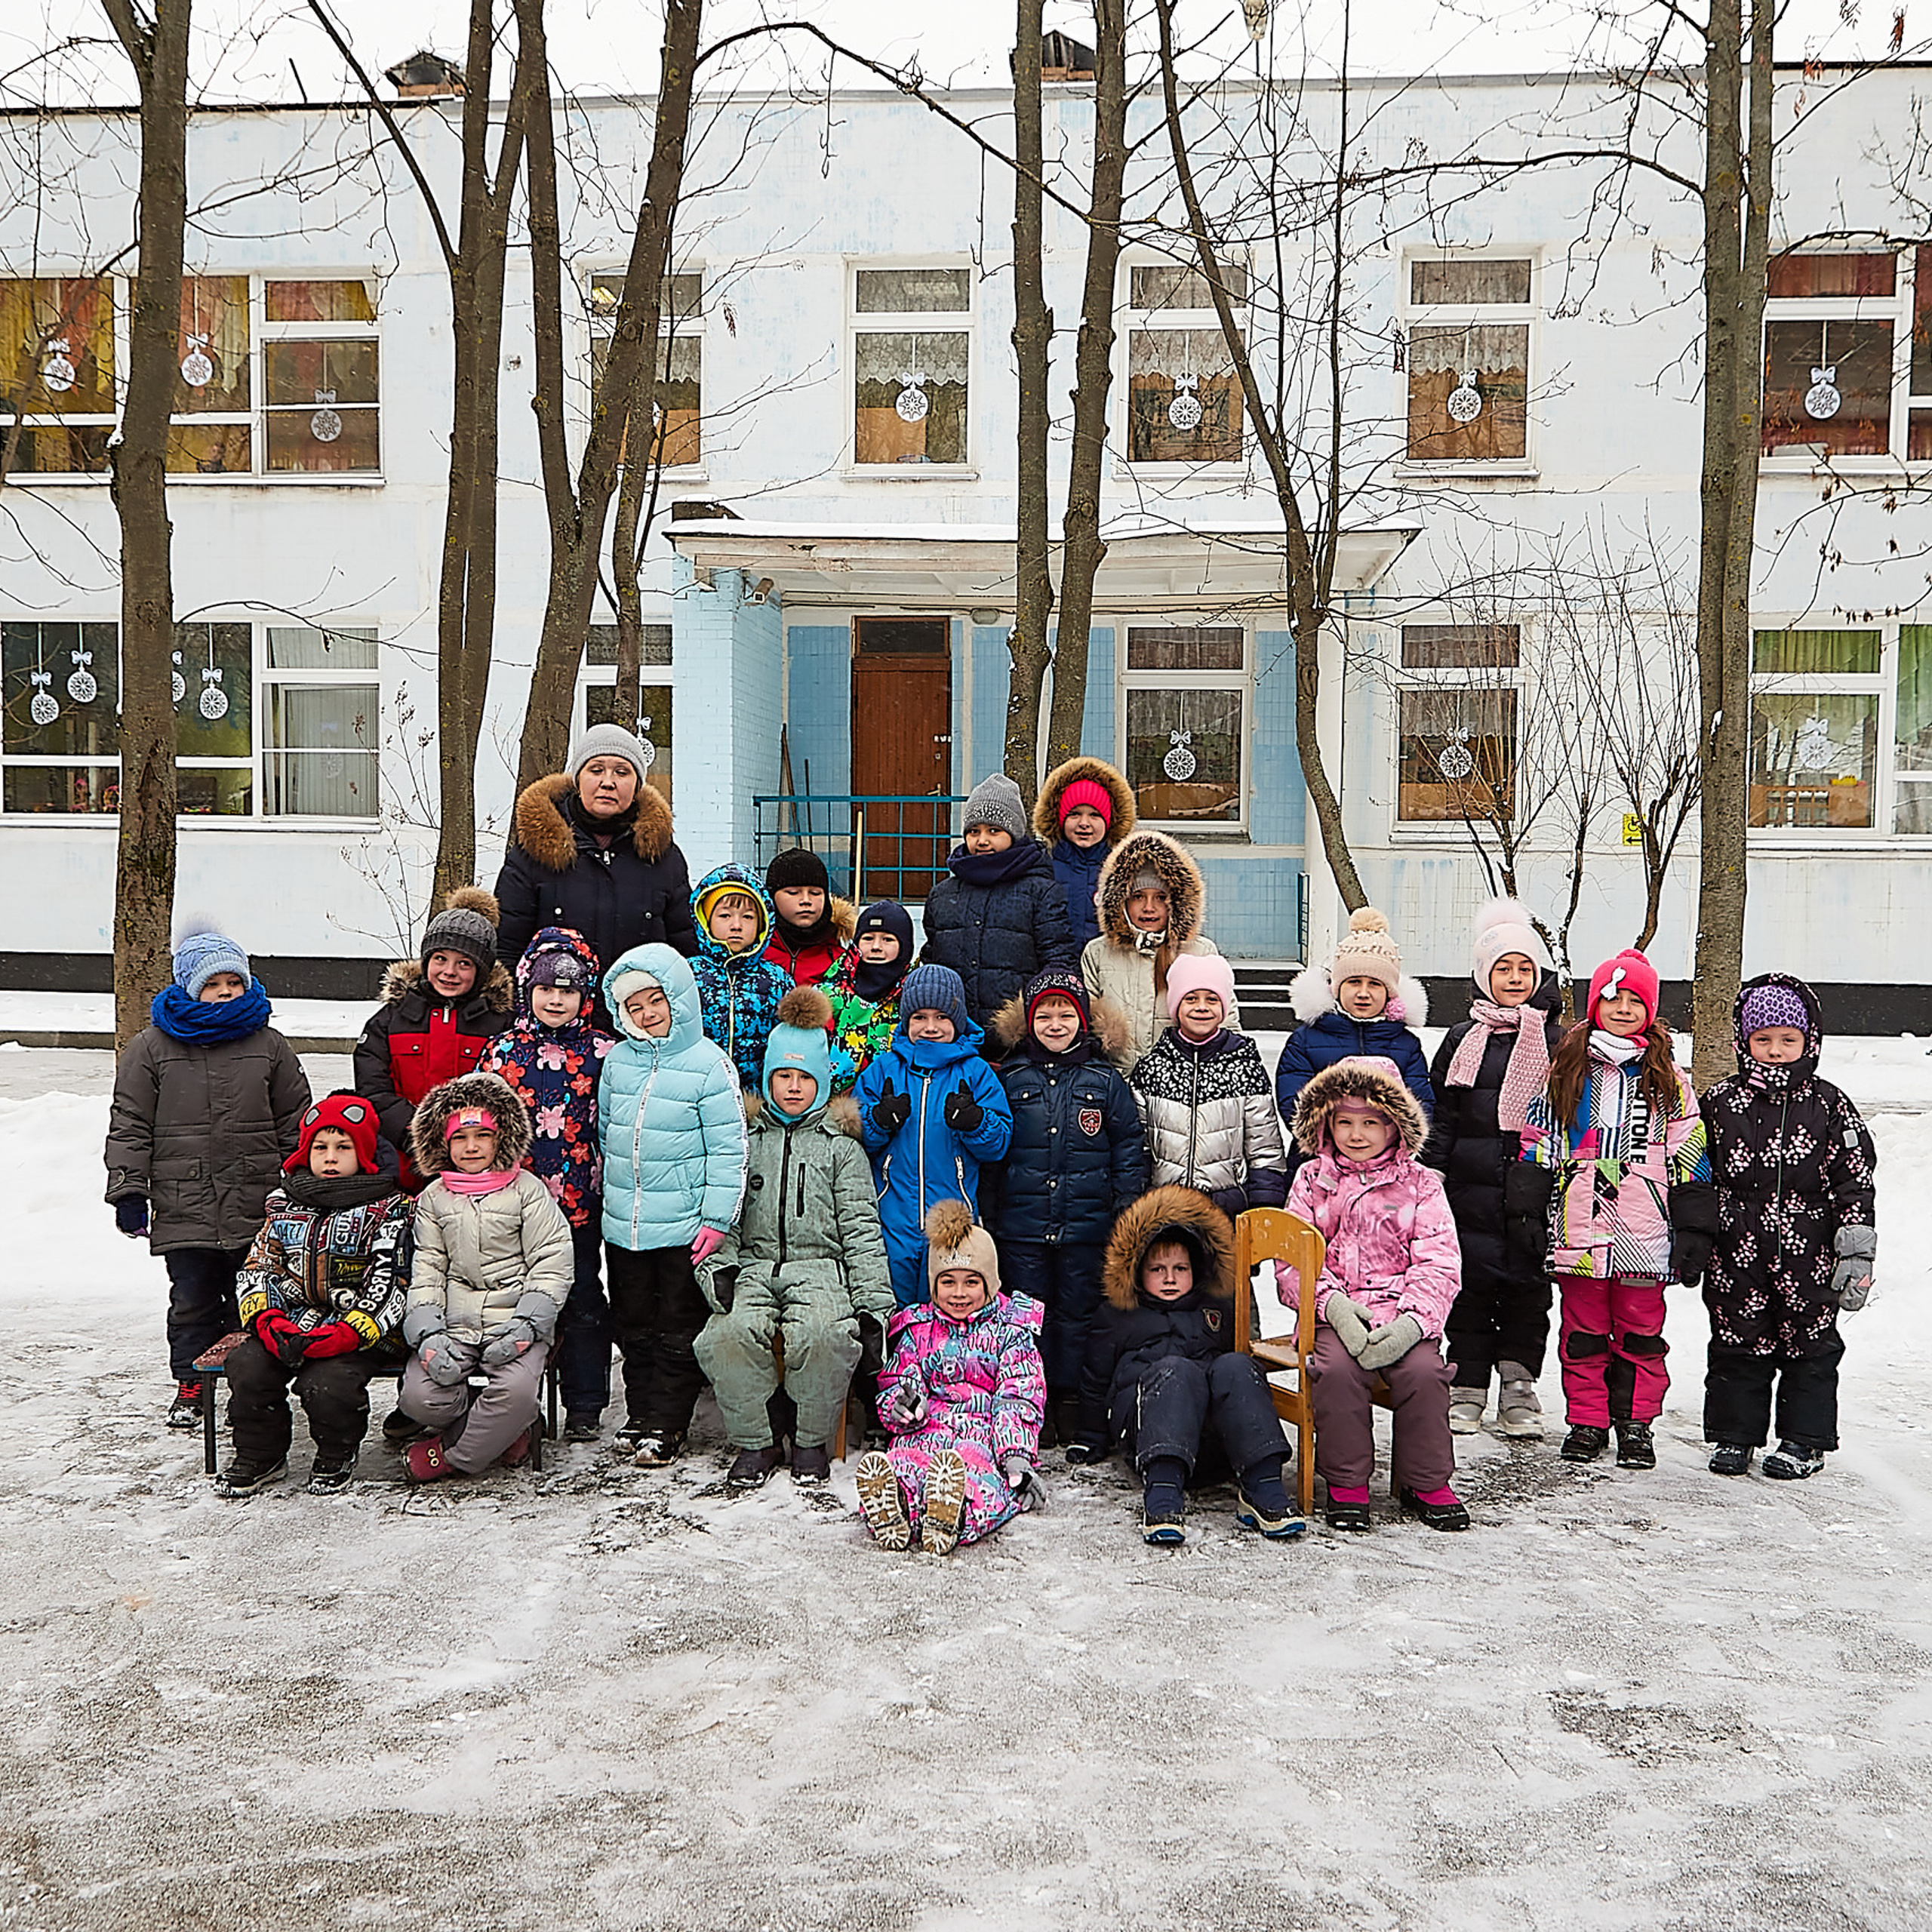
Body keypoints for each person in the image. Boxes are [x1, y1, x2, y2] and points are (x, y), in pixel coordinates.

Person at [1512, 950, 1716, 1470]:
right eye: (1612, 998)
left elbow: (1688, 1149)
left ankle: (1636, 1422)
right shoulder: (1567, 1069)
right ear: (1594, 1003)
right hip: (1578, 1226)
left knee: (1641, 1332)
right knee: (1582, 1332)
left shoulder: (1668, 1078)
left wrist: (1694, 1224)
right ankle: (1586, 1420)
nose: (1623, 1008)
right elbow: (1540, 1139)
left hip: (1644, 1232)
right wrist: (1526, 1209)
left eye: (1634, 1000)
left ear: (1649, 1010)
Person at [104, 928, 311, 1427]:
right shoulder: (150, 1049)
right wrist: (129, 1187)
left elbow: (297, 1121)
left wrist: (302, 1183)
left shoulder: (270, 1046)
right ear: (188, 988)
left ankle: (253, 1382)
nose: (224, 992)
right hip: (185, 1203)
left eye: (233, 983)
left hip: (259, 1203)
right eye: (212, 983)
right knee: (193, 1300)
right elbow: (129, 1121)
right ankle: (191, 1382)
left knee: (257, 1297)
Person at [694, 988, 896, 1489]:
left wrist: (874, 1308)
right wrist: (718, 1268)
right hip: (755, 1266)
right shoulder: (745, 1142)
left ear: (822, 1082)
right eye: (783, 1076)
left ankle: (810, 1440)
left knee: (826, 1334)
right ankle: (757, 1440)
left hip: (821, 1268)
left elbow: (861, 1231)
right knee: (726, 1335)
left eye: (804, 1077)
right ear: (767, 1079)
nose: (792, 1087)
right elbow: (723, 1217)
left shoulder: (841, 1150)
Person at [1699, 974, 1877, 1481]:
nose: (1776, 1051)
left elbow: (1855, 1180)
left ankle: (1804, 1440)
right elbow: (1694, 1173)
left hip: (1811, 1254)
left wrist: (1856, 1250)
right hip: (1736, 1252)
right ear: (1744, 1042)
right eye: (1763, 1040)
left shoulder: (1829, 1104)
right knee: (1737, 1340)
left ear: (1808, 1041)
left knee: (1811, 1347)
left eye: (1787, 1040)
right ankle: (1736, 1436)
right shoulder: (1720, 1104)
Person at [1286, 1057, 1469, 1533]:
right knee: (1337, 1371)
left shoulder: (1421, 1185)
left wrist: (1412, 1322)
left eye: (1371, 1122)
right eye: (1344, 1122)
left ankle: (1425, 1480)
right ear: (1326, 1124)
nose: (1357, 1133)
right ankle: (1346, 1482)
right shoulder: (1311, 1181)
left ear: (1396, 1125)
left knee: (1425, 1373)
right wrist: (1332, 1307)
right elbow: (1293, 1260)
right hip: (1335, 1314)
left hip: (1402, 1312)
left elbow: (1439, 1261)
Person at [1066, 1186, 1300, 1546]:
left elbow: (1236, 1384)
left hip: (1212, 1443)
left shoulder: (1215, 1310)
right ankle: (1163, 1496)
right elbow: (1096, 1379)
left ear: (1198, 1269)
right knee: (1176, 1370)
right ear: (1137, 1270)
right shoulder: (1118, 1315)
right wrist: (1090, 1437)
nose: (1170, 1278)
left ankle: (1262, 1484)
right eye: (1157, 1269)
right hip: (1148, 1437)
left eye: (1180, 1268)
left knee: (1237, 1365)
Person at [598, 941, 749, 1466]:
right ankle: (640, 1411)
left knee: (677, 1326)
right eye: (633, 1007)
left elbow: (730, 1149)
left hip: (684, 1227)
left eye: (654, 1001)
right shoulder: (617, 1062)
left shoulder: (709, 1065)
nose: (645, 1015)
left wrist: (715, 1218)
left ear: (678, 999)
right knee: (631, 1321)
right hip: (624, 1225)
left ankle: (668, 1421)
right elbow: (606, 1132)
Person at [217, 1094, 412, 1497]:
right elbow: (260, 1266)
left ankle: (336, 1452)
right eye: (320, 1147)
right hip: (290, 1324)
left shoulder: (390, 1210)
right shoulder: (284, 1206)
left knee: (329, 1382)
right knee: (249, 1366)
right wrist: (267, 1319)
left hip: (361, 1330)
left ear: (364, 1154)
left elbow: (393, 1278)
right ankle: (260, 1452)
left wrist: (350, 1331)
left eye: (344, 1148)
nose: (330, 1157)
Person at [1423, 899, 1567, 1439]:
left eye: (1524, 968)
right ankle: (1466, 1383)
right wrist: (1434, 1172)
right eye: (1503, 968)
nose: (1514, 978)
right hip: (1469, 1188)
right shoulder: (1464, 1037)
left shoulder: (1557, 1039)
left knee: (1528, 1290)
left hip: (1533, 1188)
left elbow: (1572, 1115)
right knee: (1472, 1285)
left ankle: (1519, 1385)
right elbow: (1441, 1112)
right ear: (1485, 976)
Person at [986, 968, 1147, 1446]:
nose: (1055, 1024)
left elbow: (1128, 1147)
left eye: (1066, 1014)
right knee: (1026, 1317)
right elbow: (995, 1156)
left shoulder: (1105, 1080)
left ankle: (1074, 1401)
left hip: (1087, 1225)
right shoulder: (1011, 1078)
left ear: (1083, 1020)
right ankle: (1031, 1403)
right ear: (1029, 1021)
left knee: (1078, 1316)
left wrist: (1124, 1208)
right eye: (1045, 1014)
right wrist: (993, 1218)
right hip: (1023, 1226)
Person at [398, 1073, 574, 1481]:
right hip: (454, 1322)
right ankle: (504, 1431)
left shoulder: (526, 1191)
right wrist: (428, 1333)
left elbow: (551, 1259)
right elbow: (427, 1267)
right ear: (443, 1143)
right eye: (460, 1138)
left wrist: (527, 1325)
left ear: (502, 1139)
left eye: (483, 1136)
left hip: (514, 1318)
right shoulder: (434, 1197)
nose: (472, 1147)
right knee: (419, 1398)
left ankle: (453, 1455)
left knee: (515, 1393)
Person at [483, 927, 618, 1442]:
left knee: (583, 1297)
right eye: (546, 989)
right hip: (517, 1207)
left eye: (568, 990)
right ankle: (517, 1401)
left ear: (585, 995)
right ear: (527, 991)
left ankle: (585, 1402)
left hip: (582, 1204)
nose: (556, 999)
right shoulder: (503, 1053)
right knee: (519, 1303)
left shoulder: (605, 1053)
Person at [854, 1203, 1046, 1555]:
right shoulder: (918, 1331)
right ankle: (895, 1510)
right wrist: (902, 1405)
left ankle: (952, 1517)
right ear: (934, 1285)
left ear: (990, 1284)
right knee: (904, 1467)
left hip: (982, 1433)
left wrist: (1015, 1454)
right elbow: (900, 1377)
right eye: (948, 1282)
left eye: (971, 1282)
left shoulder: (1010, 1332)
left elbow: (1020, 1395)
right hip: (925, 1429)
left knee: (978, 1481)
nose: (959, 1293)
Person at [852, 963, 1013, 1306]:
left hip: (953, 1221)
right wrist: (879, 1120)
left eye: (941, 1017)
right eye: (919, 1018)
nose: (930, 1027)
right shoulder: (884, 1068)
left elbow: (998, 1144)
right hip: (892, 1216)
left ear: (957, 1020)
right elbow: (858, 1135)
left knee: (942, 1308)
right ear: (906, 1021)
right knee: (890, 1304)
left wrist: (975, 1122)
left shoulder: (976, 1071)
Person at [494, 723, 698, 977]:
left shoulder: (664, 857)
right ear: (578, 778)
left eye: (622, 772)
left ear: (637, 787)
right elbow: (507, 950)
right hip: (556, 1012)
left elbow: (686, 951)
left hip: (637, 1013)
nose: (608, 782)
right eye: (596, 770)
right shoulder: (534, 853)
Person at [354, 886, 515, 1191]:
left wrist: (466, 1136)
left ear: (480, 971)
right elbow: (374, 1089)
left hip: (475, 1165)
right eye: (440, 959)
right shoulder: (391, 1019)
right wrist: (417, 1132)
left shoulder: (499, 1024)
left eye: (464, 964)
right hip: (400, 1162)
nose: (449, 972)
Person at [1129, 954, 1287, 1221]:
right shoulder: (1153, 1068)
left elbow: (1265, 1149)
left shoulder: (1243, 1066)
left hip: (1228, 1209)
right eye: (1191, 998)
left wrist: (1263, 1211)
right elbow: (1138, 1147)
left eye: (1212, 999)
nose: (1201, 1007)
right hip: (1165, 1210)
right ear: (1175, 1005)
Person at [1277, 907, 1434, 1164]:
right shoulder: (1306, 1040)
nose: (1363, 993)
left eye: (1375, 984)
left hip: (1386, 1164)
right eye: (1353, 982)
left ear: (1390, 993)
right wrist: (1334, 1140)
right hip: (1317, 1163)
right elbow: (1293, 1102)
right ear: (1336, 988)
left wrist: (1384, 1144)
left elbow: (1420, 1104)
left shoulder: (1405, 1044)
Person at [919, 771, 1076, 1024]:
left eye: (994, 831)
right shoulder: (942, 895)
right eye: (973, 831)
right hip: (955, 1036)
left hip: (1020, 1037)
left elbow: (1058, 964)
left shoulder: (1041, 892)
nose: (982, 840)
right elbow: (932, 966)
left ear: (1013, 834)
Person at [1080, 826, 1235, 1073]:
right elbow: (1084, 1024)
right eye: (1139, 896)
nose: (1149, 907)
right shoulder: (1098, 953)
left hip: (1179, 1088)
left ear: (1177, 901)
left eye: (1161, 897)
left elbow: (1227, 1024)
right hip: (1117, 1085)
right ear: (1121, 900)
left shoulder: (1200, 951)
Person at [688, 863, 793, 1091]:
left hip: (757, 1100)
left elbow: (789, 1045)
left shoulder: (777, 980)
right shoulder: (688, 974)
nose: (736, 925)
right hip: (697, 1093)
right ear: (705, 920)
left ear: (763, 922)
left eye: (748, 917)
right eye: (725, 916)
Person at [1033, 755, 1136, 950]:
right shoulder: (1042, 867)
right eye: (1074, 814)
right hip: (1053, 969)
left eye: (1095, 815)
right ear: (1060, 819)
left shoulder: (1124, 870)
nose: (1084, 824)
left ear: (1109, 821)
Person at [823, 900, 916, 1093]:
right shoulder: (828, 995)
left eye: (888, 939)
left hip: (896, 1106)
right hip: (830, 1107)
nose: (876, 947)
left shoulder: (914, 998)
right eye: (868, 938)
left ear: (905, 946)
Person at [761, 848, 857, 986]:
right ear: (771, 897)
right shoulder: (752, 953)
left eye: (815, 893)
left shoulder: (842, 961)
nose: (806, 900)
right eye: (793, 892)